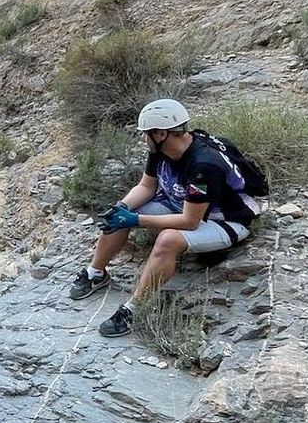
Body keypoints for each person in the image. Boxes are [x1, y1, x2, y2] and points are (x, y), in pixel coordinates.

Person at [67, 98, 267, 338]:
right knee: (118, 216)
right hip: (183, 205)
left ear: (160, 133)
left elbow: (189, 222)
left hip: (223, 221)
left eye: (145, 134)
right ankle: (95, 273)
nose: (143, 139)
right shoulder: (163, 148)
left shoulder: (203, 166)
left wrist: (136, 220)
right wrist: (121, 208)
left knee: (168, 240)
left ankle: (134, 309)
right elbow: (146, 186)